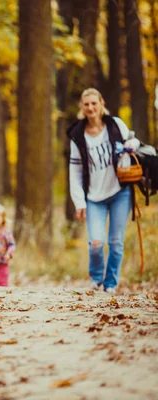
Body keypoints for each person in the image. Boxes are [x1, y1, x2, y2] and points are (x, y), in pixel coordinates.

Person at [68, 88, 140, 295]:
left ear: (101, 104)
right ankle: (96, 278)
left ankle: (110, 284)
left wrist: (130, 146)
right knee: (96, 243)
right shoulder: (77, 136)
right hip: (94, 198)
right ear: (82, 107)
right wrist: (79, 202)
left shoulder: (115, 124)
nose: (90, 107)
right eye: (86, 104)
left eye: (94, 103)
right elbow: (75, 172)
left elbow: (134, 141)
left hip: (120, 192)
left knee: (116, 241)